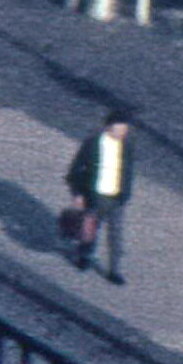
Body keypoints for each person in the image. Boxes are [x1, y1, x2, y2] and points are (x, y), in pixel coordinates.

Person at [64, 106, 134, 285]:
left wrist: (125, 194)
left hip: (116, 198)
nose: (124, 132)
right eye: (121, 128)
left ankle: (114, 270)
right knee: (90, 229)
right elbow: (75, 169)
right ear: (110, 127)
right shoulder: (93, 144)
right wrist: (78, 194)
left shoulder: (126, 146)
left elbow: (128, 172)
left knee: (116, 235)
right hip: (95, 195)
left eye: (125, 129)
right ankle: (84, 257)